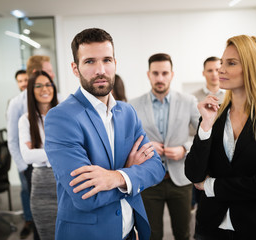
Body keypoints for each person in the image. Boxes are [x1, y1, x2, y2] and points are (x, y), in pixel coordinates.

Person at [44, 28, 166, 240]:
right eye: (90, 61)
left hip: (130, 232)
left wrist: (115, 177)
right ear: (75, 68)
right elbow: (85, 195)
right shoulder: (61, 118)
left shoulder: (127, 112)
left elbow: (156, 168)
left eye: (107, 60)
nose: (100, 70)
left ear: (115, 64)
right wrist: (129, 174)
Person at [185, 35, 256, 240]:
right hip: (210, 228)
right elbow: (193, 174)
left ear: (253, 68)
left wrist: (212, 186)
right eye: (221, 63)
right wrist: (205, 126)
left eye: (231, 63)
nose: (220, 70)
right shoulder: (213, 113)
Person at [130, 53, 200, 240]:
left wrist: (184, 148)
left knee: (183, 234)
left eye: (164, 73)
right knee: (151, 235)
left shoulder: (188, 101)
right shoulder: (133, 105)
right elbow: (127, 141)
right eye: (155, 73)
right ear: (148, 74)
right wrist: (145, 145)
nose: (160, 78)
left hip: (181, 180)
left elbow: (204, 135)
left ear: (172, 74)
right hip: (149, 181)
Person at [7, 55, 54, 239]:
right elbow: (13, 140)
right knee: (40, 221)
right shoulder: (18, 106)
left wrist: (41, 153)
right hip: (32, 169)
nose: (52, 77)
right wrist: (24, 167)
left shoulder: (57, 102)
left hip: (56, 172)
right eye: (49, 72)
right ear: (36, 74)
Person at [18, 71, 58, 240]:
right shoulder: (26, 120)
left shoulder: (62, 116)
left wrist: (40, 152)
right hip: (41, 185)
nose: (45, 89)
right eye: (39, 85)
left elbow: (76, 149)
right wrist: (57, 150)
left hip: (64, 182)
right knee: (47, 234)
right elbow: (27, 157)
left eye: (48, 84)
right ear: (31, 91)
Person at [191, 57, 224, 209]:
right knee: (201, 203)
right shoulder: (193, 98)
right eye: (210, 70)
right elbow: (190, 129)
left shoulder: (231, 95)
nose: (214, 74)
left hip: (222, 156)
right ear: (203, 73)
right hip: (201, 155)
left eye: (217, 69)